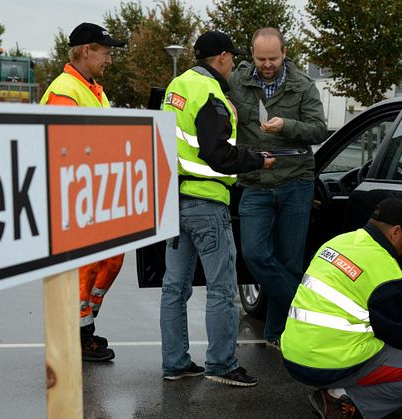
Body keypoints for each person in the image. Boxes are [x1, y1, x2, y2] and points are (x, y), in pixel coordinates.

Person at [160, 31, 275, 387]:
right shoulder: (211, 94)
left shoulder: (176, 86)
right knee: (223, 288)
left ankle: (175, 362)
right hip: (207, 203)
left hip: (173, 201)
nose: (233, 65)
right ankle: (222, 363)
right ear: (222, 58)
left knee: (174, 288)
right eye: (232, 58)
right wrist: (257, 160)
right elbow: (218, 154)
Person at [281, 198, 402, 418]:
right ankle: (341, 398)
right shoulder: (385, 269)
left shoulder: (337, 243)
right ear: (395, 232)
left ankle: (336, 389)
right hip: (326, 364)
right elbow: (398, 334)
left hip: (293, 354)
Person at [228, 27, 327, 348]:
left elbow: (318, 130)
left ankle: (276, 333)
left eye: (272, 58)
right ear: (252, 55)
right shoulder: (236, 82)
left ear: (284, 53)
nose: (267, 64)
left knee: (289, 261)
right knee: (254, 254)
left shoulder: (303, 86)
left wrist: (287, 126)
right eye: (260, 59)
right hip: (255, 182)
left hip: (295, 181)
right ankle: (305, 309)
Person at [39, 22, 126, 362]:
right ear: (86, 51)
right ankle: (76, 333)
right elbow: (63, 146)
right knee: (84, 266)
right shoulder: (65, 90)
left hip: (94, 193)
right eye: (106, 53)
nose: (109, 60)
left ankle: (83, 325)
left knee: (110, 260)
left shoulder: (92, 90)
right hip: (75, 194)